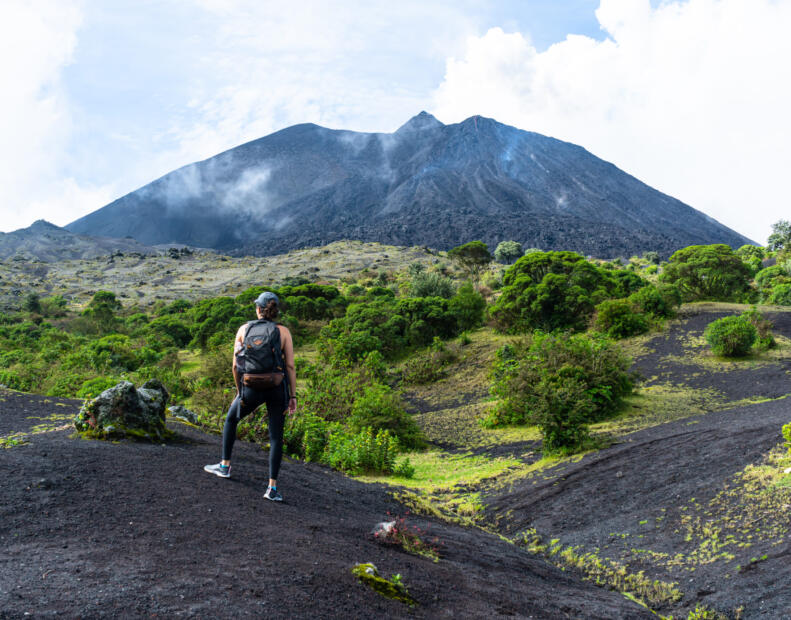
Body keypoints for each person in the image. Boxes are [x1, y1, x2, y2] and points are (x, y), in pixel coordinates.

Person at [204, 291, 297, 501]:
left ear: (258, 309)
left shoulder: (244, 329)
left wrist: (240, 392)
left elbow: (236, 365)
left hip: (250, 386)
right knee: (275, 437)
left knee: (231, 419)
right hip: (276, 387)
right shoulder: (283, 332)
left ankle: (224, 466)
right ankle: (272, 489)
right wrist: (292, 396)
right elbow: (290, 366)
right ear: (275, 310)